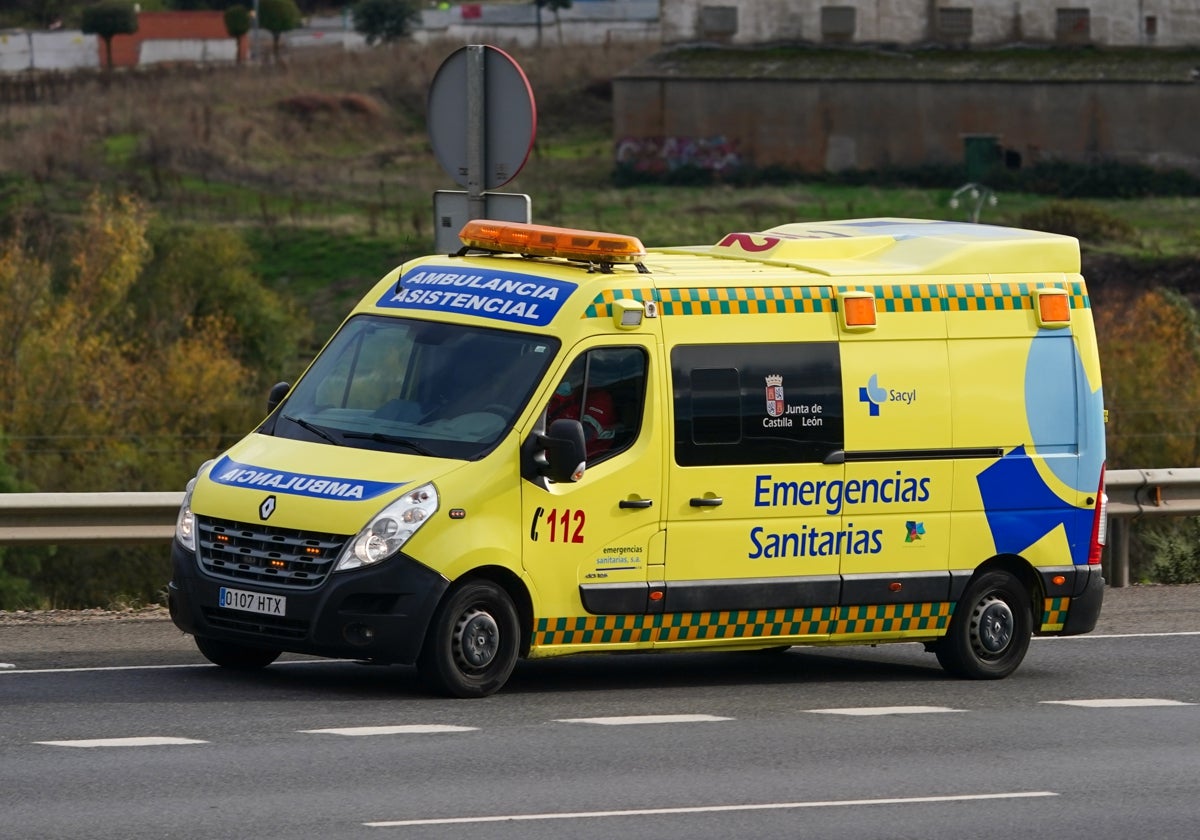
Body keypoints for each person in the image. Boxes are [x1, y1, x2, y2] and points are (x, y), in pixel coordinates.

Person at [547, 377, 618, 459]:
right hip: (554, 454)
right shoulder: (563, 392)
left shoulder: (600, 399)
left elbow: (585, 432)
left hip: (587, 461)